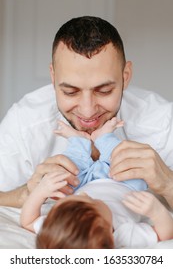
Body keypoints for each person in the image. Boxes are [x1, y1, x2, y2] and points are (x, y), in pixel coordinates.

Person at [0, 16, 173, 209]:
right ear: (53, 77)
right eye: (70, 92)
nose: (88, 110)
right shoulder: (25, 121)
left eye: (104, 91)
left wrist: (168, 184)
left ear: (126, 77)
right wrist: (25, 194)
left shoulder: (161, 121)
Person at [20, 168, 173, 249]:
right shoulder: (123, 233)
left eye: (79, 196)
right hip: (126, 183)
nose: (86, 194)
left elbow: (28, 222)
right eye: (92, 201)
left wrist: (40, 192)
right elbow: (164, 235)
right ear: (108, 231)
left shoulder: (56, 229)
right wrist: (156, 211)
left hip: (87, 179)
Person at [53, 117, 147, 191]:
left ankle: (78, 141)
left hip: (80, 190)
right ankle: (104, 138)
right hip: (121, 184)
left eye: (104, 91)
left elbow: (38, 216)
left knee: (66, 180)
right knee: (136, 179)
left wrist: (38, 194)